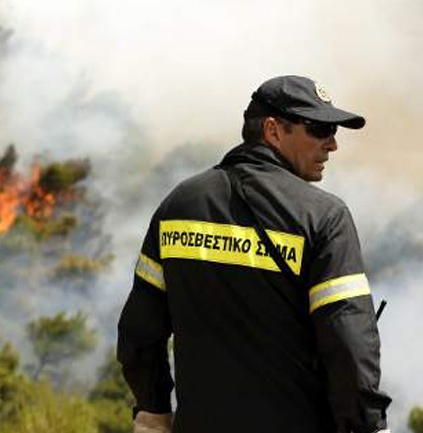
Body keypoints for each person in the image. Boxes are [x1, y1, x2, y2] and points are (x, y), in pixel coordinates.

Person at [117, 75, 391, 433]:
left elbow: (139, 332)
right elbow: (348, 344)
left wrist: (153, 413)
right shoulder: (325, 217)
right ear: (274, 130)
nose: (332, 144)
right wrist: (367, 425)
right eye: (319, 129)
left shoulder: (179, 204)